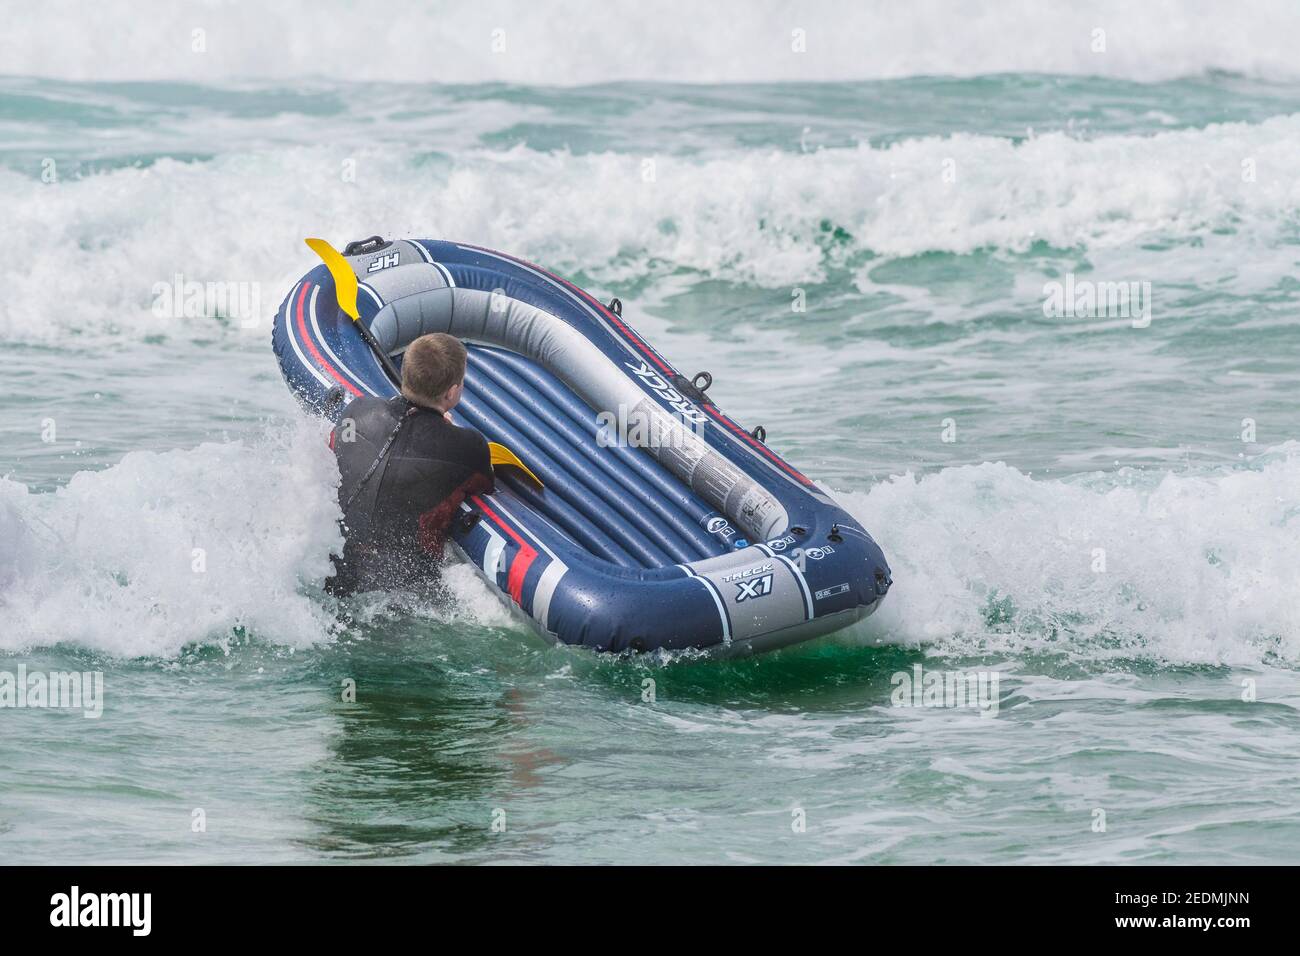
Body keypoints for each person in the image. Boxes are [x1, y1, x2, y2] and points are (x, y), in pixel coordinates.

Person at [327, 333, 493, 595]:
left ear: (405, 372)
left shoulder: (357, 410)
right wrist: (447, 432)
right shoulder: (468, 446)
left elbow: (336, 450)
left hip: (333, 565)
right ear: (451, 392)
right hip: (404, 588)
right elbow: (484, 483)